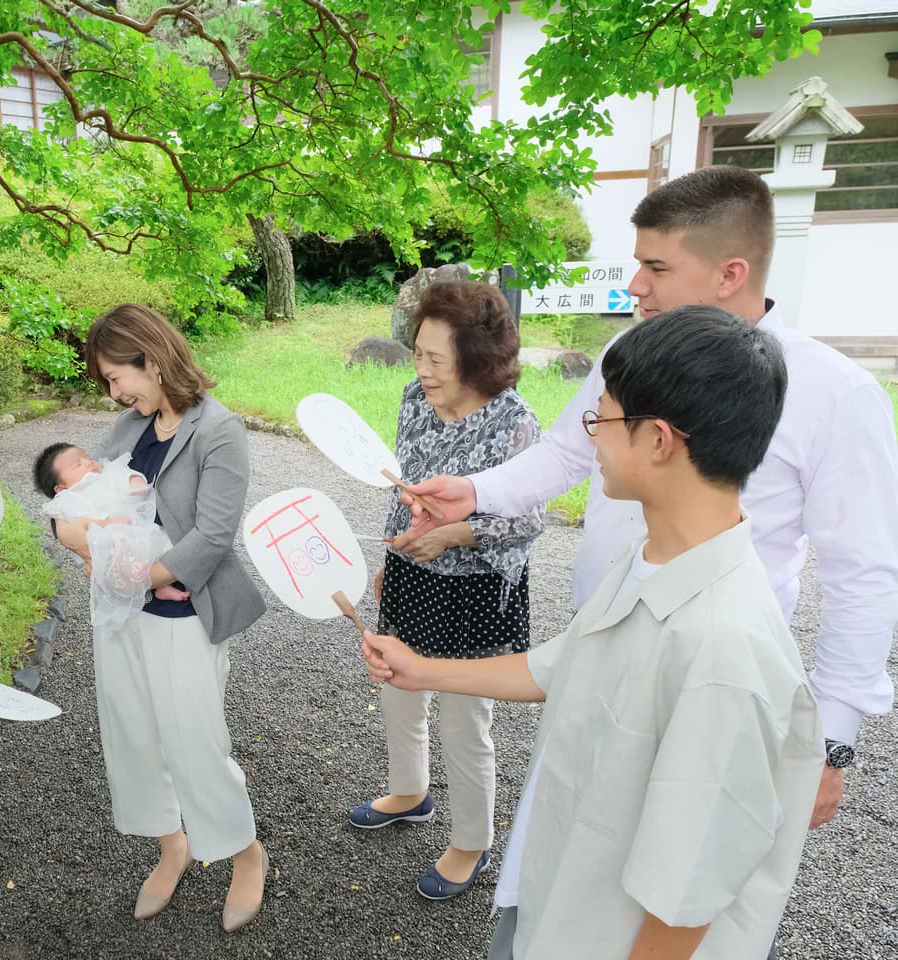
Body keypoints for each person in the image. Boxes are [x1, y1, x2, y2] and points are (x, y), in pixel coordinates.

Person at [399, 166, 898, 832]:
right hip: (598, 636)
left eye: (656, 267)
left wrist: (831, 740)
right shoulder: (626, 349)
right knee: (570, 828)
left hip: (706, 673)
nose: (635, 285)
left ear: (730, 273)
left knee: (677, 842)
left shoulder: (836, 395)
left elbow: (862, 575)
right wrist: (473, 491)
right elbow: (567, 453)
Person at [365, 306, 824, 959]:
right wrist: (424, 670)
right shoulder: (648, 558)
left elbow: (683, 902)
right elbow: (563, 664)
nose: (591, 441)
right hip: (554, 902)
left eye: (599, 420)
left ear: (657, 440)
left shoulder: (725, 653)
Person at [54, 304, 268, 932]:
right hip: (122, 615)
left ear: (151, 359)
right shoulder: (129, 426)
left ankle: (245, 853)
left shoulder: (219, 430)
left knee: (195, 740)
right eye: (107, 382)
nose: (114, 393)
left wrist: (130, 572)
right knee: (134, 737)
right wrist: (75, 536)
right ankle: (172, 847)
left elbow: (214, 535)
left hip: (182, 614)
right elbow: (76, 501)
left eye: (117, 377)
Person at [345, 281, 543, 902]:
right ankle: (410, 791)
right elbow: (402, 484)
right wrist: (393, 554)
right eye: (418, 354)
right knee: (397, 691)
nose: (422, 371)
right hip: (412, 573)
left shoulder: (514, 422)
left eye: (436, 359)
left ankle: (471, 841)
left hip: (475, 590)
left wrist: (456, 534)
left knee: (464, 721)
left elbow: (530, 520)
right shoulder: (414, 398)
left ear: (477, 359)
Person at [33, 441, 191, 626]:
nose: (88, 462)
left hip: (136, 526)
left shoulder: (107, 473)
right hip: (107, 534)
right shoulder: (68, 498)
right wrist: (106, 522)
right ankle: (144, 581)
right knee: (117, 559)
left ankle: (161, 585)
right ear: (60, 488)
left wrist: (136, 482)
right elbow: (72, 518)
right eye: (78, 464)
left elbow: (127, 473)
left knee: (165, 544)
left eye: (87, 457)